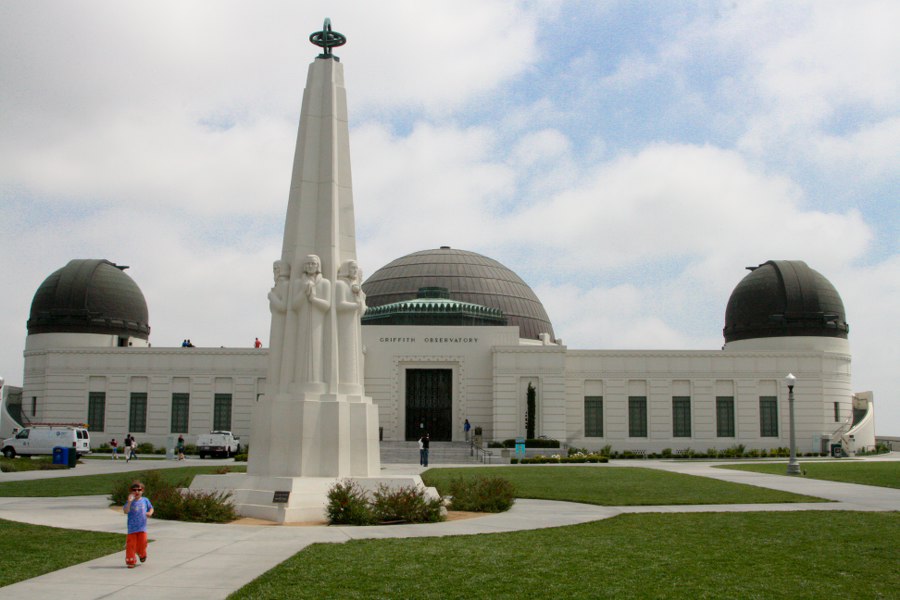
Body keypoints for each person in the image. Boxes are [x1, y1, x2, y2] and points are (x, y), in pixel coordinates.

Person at [123, 480, 154, 568]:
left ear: (142, 491)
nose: (137, 492)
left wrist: (150, 513)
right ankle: (131, 561)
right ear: (131, 491)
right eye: (134, 490)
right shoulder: (129, 501)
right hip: (132, 528)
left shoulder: (145, 500)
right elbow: (126, 511)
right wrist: (129, 502)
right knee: (131, 545)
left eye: (139, 490)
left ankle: (142, 553)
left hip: (142, 527)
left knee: (143, 543)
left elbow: (151, 508)